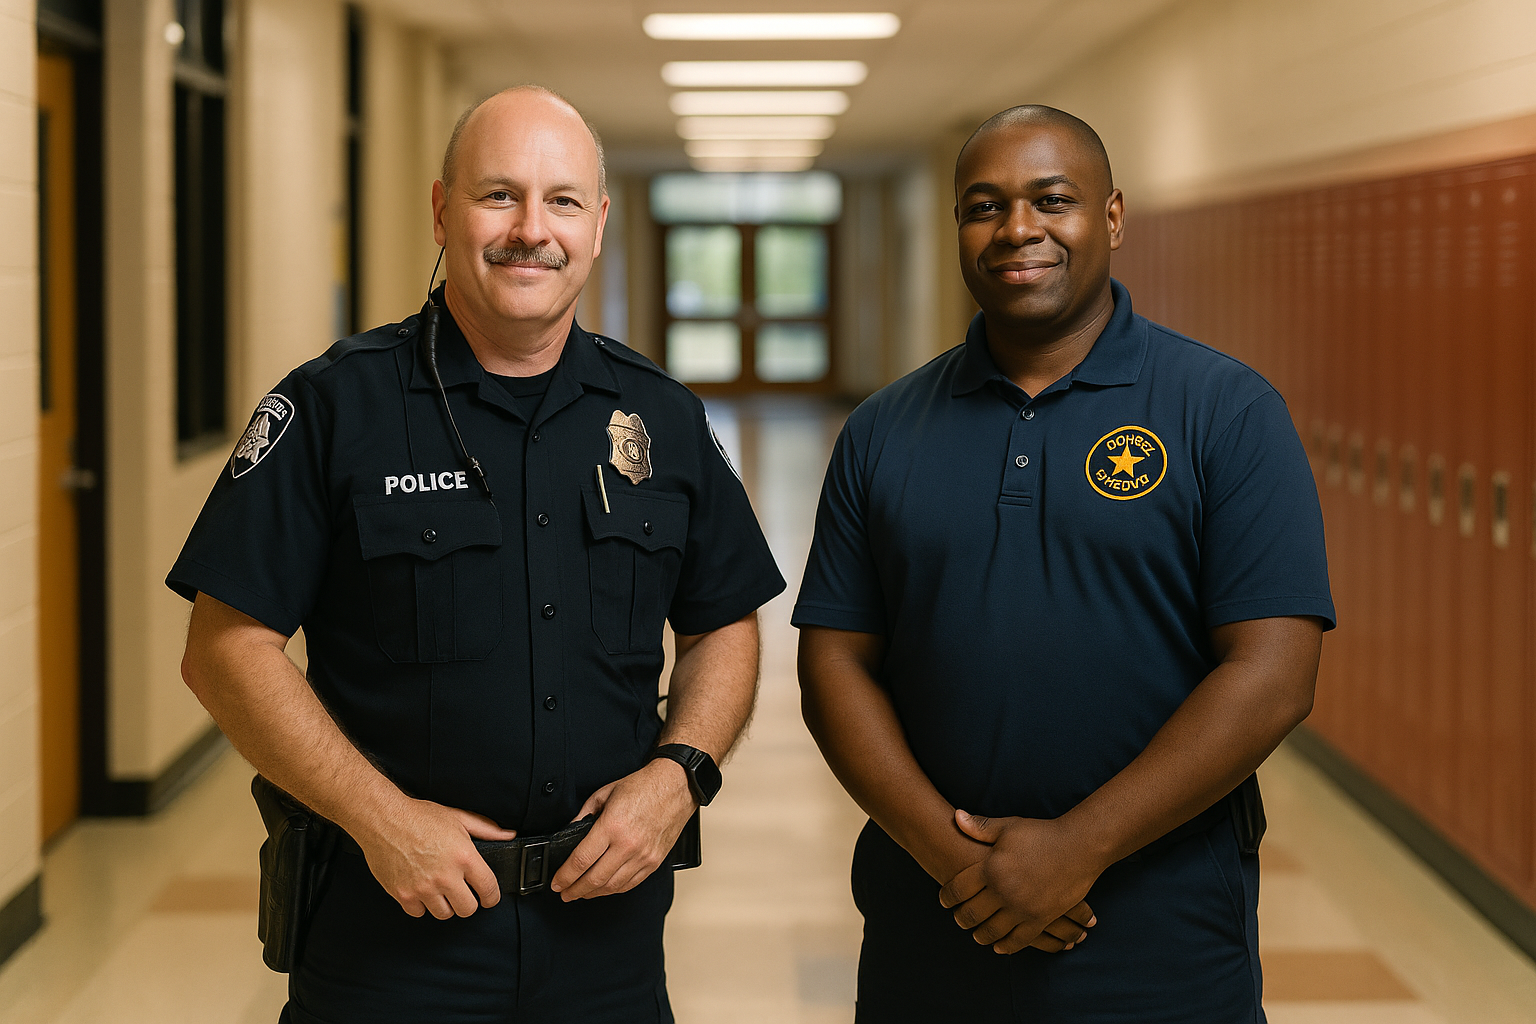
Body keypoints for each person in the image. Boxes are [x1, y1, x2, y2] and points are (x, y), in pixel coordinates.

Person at [169, 86, 784, 1024]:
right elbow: (225, 648)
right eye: (499, 194)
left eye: (563, 200)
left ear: (599, 223)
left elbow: (722, 625)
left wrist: (680, 776)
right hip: (392, 938)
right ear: (442, 211)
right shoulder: (335, 409)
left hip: (607, 939)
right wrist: (382, 819)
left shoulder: (660, 415)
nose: (531, 229)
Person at [792, 104, 1334, 1023]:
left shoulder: (1226, 412)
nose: (1018, 230)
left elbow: (1273, 674)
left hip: (1158, 927)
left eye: (1053, 200)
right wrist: (956, 861)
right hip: (933, 920)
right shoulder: (885, 429)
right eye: (984, 205)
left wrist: (1078, 848)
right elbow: (834, 662)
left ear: (1112, 217)